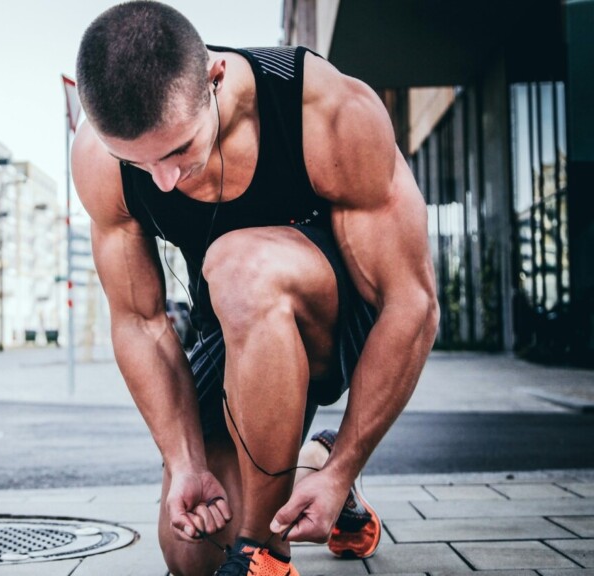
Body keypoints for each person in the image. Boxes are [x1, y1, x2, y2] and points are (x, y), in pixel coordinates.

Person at [71, 2, 439, 575]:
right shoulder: (98, 158)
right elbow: (139, 322)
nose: (163, 181)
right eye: (138, 163)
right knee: (191, 552)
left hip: (337, 320)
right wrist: (185, 461)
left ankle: (264, 555)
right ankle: (308, 469)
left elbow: (411, 302)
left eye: (176, 151)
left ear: (215, 80)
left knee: (240, 263)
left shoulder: (324, 108)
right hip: (233, 327)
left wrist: (348, 460)